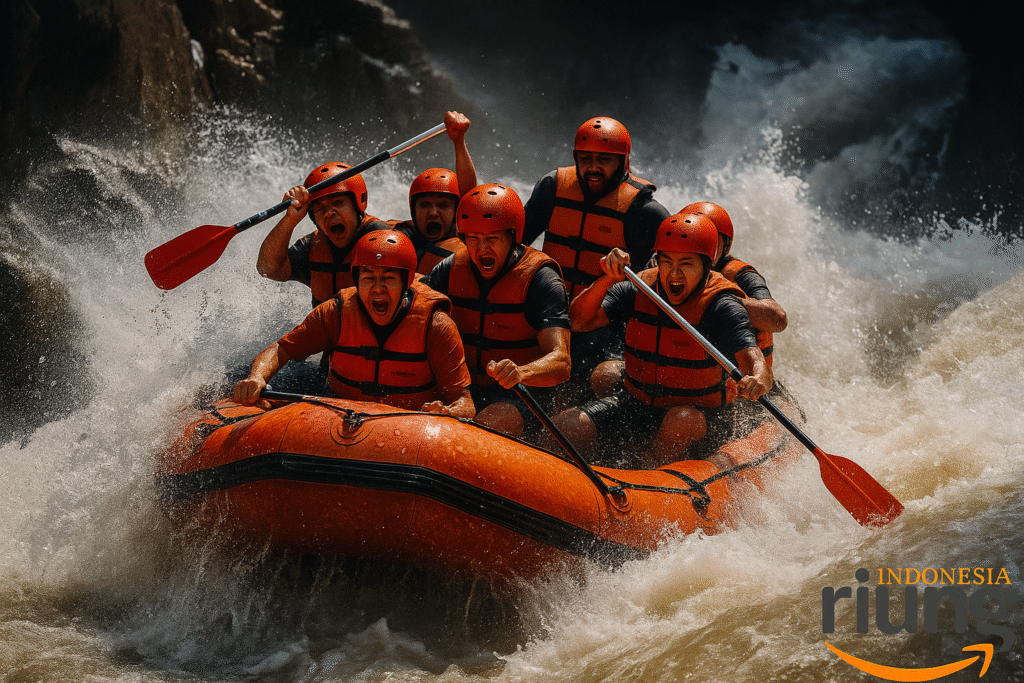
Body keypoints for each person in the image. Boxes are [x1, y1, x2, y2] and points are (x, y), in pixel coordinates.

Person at [552, 212, 772, 470]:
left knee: (680, 420)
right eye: (667, 262)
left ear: (706, 265)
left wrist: (756, 380)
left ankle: (650, 480)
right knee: (568, 425)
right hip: (638, 402)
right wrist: (607, 279)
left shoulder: (722, 305)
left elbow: (757, 363)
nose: (674, 274)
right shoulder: (639, 287)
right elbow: (579, 321)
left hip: (701, 416)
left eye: (686, 264)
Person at [235, 230, 475, 418]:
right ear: (357, 280)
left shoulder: (436, 325)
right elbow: (282, 349)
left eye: (388, 279)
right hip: (339, 415)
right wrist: (257, 377)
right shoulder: (336, 312)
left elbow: (465, 403)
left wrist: (448, 412)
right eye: (368, 277)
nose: (377, 288)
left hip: (410, 427)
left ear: (406, 283)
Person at [521, 116, 670, 403]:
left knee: (590, 384)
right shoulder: (552, 188)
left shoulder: (647, 213)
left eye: (604, 160)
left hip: (606, 326)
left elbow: (665, 285)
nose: (592, 168)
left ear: (624, 163)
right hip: (550, 317)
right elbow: (512, 248)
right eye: (585, 158)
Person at [420, 183, 571, 437]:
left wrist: (521, 372)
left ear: (513, 237)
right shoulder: (451, 268)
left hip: (521, 394)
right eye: (474, 239)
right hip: (463, 389)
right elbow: (414, 308)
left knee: (487, 425)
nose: (481, 250)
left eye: (491, 239)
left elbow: (562, 362)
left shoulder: (542, 279)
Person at [256, 161, 390, 309]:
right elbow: (267, 270)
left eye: (338, 203)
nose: (329, 213)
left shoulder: (383, 239)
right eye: (320, 208)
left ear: (358, 203)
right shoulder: (313, 246)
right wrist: (290, 220)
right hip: (330, 331)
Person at [388, 111, 478, 274]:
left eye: (443, 205)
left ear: (456, 211)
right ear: (413, 209)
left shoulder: (470, 242)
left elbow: (470, 198)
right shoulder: (396, 234)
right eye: (425, 205)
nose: (433, 213)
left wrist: (458, 141)